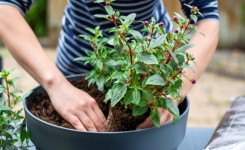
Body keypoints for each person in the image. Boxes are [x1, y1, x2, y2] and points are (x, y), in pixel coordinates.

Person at [0, 0, 219, 132]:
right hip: (80, 67)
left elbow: (207, 16)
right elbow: (6, 8)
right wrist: (56, 84)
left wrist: (174, 88)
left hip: (148, 70)